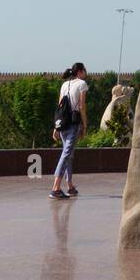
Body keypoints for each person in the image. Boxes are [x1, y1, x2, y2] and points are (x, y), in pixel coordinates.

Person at [50, 62, 88, 200]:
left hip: (62, 123)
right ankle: (55, 188)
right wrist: (85, 124)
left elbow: (60, 107)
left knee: (68, 154)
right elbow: (82, 106)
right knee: (66, 154)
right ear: (80, 71)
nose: (86, 73)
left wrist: (56, 127)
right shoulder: (82, 84)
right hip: (73, 123)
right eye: (85, 70)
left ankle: (70, 186)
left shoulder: (64, 84)